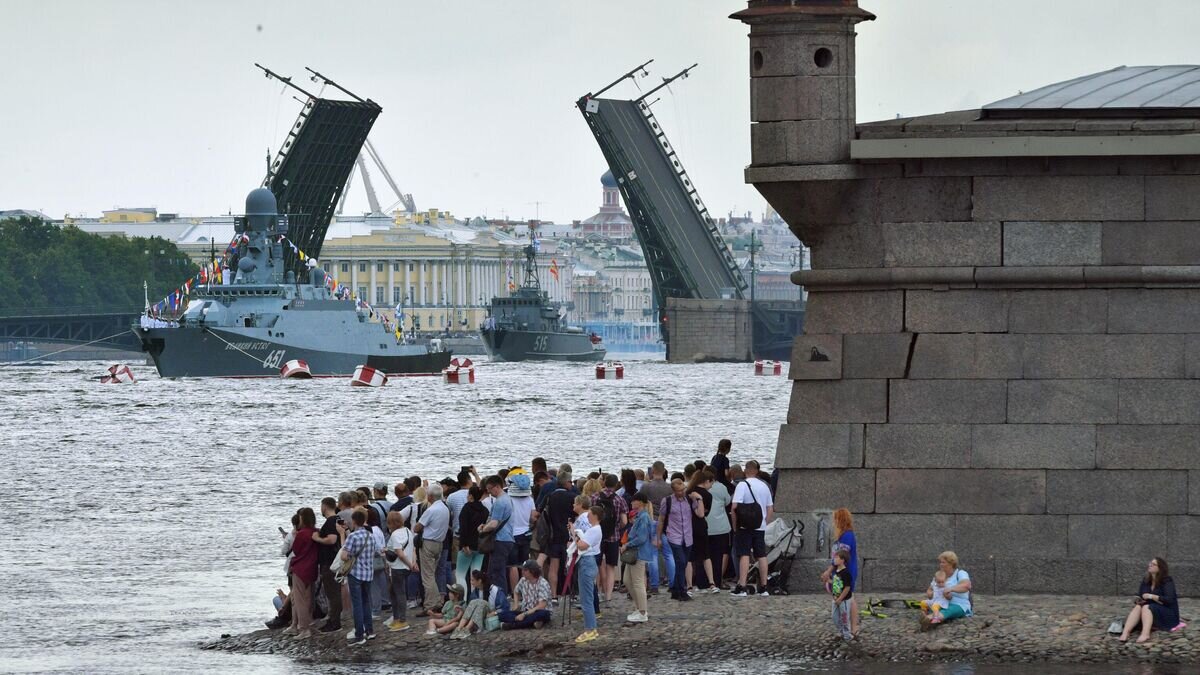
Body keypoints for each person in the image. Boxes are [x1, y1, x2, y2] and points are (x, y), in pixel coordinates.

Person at [731, 460, 773, 597]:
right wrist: (764, 522)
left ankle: (742, 585)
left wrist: (735, 526)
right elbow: (770, 508)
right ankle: (764, 587)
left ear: (745, 470)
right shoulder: (764, 485)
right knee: (761, 555)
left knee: (744, 554)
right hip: (760, 526)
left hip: (745, 525)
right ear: (757, 471)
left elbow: (734, 507)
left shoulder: (742, 485)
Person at [658, 476, 704, 601]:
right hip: (674, 535)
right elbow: (661, 519)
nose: (682, 492)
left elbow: (700, 514)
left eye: (683, 489)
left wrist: (699, 499)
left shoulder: (689, 500)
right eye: (679, 490)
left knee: (681, 564)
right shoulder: (667, 501)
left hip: (687, 536)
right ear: (674, 490)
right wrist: (658, 537)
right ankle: (681, 590)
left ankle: (675, 590)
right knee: (681, 561)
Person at [1118, 557, 1182, 643]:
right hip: (1151, 610)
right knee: (1138, 607)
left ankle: (1145, 634)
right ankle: (1126, 632)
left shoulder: (1167, 581)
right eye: (1150, 563)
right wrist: (1138, 599)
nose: (1150, 565)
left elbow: (1169, 599)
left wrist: (1151, 596)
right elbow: (1140, 595)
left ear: (1160, 568)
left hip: (1167, 613)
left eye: (1153, 564)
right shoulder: (1146, 581)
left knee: (1147, 607)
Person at [338, 508, 378, 646]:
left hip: (355, 573)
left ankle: (359, 635)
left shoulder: (353, 537)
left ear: (353, 521)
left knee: (357, 604)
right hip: (368, 573)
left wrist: (348, 552)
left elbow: (344, 556)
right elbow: (375, 552)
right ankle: (370, 631)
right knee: (366, 602)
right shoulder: (370, 535)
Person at [820, 508, 859, 635]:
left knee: (849, 598)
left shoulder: (847, 536)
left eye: (835, 519)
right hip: (841, 571)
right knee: (848, 599)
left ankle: (852, 627)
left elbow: (841, 557)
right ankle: (849, 627)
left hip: (846, 571)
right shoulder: (844, 536)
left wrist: (829, 571)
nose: (834, 522)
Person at [591, 474, 628, 603]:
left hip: (597, 537)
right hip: (614, 536)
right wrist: (616, 526)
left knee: (596, 565)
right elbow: (624, 521)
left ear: (604, 483)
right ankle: (608, 596)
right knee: (611, 567)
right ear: (616, 484)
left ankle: (595, 593)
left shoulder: (595, 497)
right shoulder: (619, 499)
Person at [415, 484, 450, 616]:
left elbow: (417, 527)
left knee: (428, 576)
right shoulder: (445, 508)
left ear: (429, 496)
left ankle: (431, 605)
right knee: (433, 574)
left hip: (428, 544)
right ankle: (437, 601)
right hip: (440, 543)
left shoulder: (431, 510)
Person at [285, 507, 319, 639]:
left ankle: (303, 628)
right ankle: (308, 623)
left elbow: (296, 550)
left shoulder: (302, 533)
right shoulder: (316, 532)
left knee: (299, 600)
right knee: (308, 598)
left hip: (300, 568)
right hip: (312, 568)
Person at [479, 475, 516, 594]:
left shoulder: (500, 502)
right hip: (508, 538)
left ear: (497, 486)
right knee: (499, 571)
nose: (488, 491)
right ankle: (500, 596)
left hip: (500, 539)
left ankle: (499, 598)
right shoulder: (508, 499)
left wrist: (483, 529)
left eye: (490, 488)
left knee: (496, 572)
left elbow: (494, 523)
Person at [573, 505, 604, 643]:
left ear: (595, 516)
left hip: (587, 562)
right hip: (588, 563)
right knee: (586, 597)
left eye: (590, 514)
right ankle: (590, 628)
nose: (587, 516)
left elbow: (582, 545)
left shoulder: (594, 530)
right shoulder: (594, 529)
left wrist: (576, 536)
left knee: (586, 598)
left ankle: (590, 629)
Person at [919, 551, 973, 631]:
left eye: (943, 562)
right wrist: (931, 594)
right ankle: (926, 617)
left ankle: (929, 619)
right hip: (940, 602)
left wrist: (951, 589)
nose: (941, 564)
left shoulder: (960, 573)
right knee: (928, 604)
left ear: (951, 563)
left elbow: (966, 585)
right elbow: (930, 589)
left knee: (948, 611)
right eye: (940, 562)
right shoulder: (939, 576)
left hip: (958, 604)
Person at [621, 493, 654, 623]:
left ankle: (642, 612)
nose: (631, 503)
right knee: (627, 580)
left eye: (634, 501)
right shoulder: (641, 516)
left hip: (639, 553)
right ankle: (639, 607)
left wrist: (627, 545)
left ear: (639, 502)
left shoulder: (643, 517)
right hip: (635, 553)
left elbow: (641, 538)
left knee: (637, 582)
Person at [641, 463, 674, 593]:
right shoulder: (669, 488)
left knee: (652, 553)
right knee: (668, 554)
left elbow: (639, 501)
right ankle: (672, 584)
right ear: (664, 471)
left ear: (652, 471)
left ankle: (654, 585)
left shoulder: (647, 487)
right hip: (666, 522)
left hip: (652, 520)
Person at [313, 497, 344, 634]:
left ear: (324, 506)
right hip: (334, 560)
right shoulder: (338, 519)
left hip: (330, 562)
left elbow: (332, 540)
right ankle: (333, 619)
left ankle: (335, 622)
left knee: (333, 593)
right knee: (333, 592)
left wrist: (317, 538)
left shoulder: (331, 521)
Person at [543, 472, 576, 598]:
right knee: (570, 564)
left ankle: (553, 595)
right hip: (569, 535)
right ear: (567, 482)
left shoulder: (550, 496)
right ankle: (571, 593)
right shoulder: (572, 497)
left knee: (554, 565)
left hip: (553, 534)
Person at [452, 570, 510, 639]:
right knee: (474, 602)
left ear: (479, 581)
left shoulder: (495, 591)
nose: (471, 582)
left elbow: (506, 607)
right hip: (479, 616)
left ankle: (467, 629)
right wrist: (462, 609)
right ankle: (459, 629)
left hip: (491, 615)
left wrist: (494, 612)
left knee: (481, 603)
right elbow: (471, 606)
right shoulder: (475, 592)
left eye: (473, 580)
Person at [384, 510, 416, 632]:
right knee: (394, 591)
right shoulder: (408, 531)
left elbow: (400, 554)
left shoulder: (395, 535)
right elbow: (412, 549)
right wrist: (413, 563)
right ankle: (397, 618)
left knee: (399, 593)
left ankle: (402, 620)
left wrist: (410, 565)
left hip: (398, 568)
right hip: (406, 568)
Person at [499, 560, 553, 629]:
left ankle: (513, 625)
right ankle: (532, 622)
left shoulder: (542, 583)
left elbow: (542, 605)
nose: (522, 572)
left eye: (525, 570)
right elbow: (516, 591)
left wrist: (524, 614)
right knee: (502, 615)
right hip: (525, 610)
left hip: (537, 611)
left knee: (542, 614)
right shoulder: (523, 580)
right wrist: (516, 604)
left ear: (532, 571)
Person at [506, 470, 536, 593]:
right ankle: (525, 591)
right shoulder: (529, 499)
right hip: (526, 533)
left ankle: (514, 592)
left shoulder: (508, 499)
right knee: (524, 565)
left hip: (512, 534)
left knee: (512, 566)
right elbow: (533, 517)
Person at [685, 470, 715, 592]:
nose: (711, 486)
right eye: (711, 483)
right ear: (707, 481)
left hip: (688, 526)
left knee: (689, 557)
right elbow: (705, 513)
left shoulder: (688, 492)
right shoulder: (708, 495)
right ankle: (711, 582)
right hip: (701, 526)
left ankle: (689, 585)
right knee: (706, 555)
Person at [456, 486, 489, 590]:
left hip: (467, 546)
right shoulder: (485, 510)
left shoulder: (466, 508)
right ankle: (476, 599)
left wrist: (464, 544)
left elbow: (463, 528)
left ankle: (462, 600)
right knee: (476, 575)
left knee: (460, 575)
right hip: (480, 546)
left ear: (470, 496)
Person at [705, 470, 732, 590]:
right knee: (720, 554)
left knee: (706, 554)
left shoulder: (699, 488)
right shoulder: (722, 487)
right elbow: (727, 501)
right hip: (721, 526)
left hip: (705, 525)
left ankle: (705, 580)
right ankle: (718, 579)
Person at [830, 549, 854, 642]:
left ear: (842, 560)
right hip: (835, 598)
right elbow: (837, 583)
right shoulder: (836, 571)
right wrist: (828, 581)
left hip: (843, 600)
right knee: (834, 617)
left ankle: (847, 636)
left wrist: (840, 599)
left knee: (844, 617)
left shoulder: (846, 573)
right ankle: (841, 632)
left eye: (837, 558)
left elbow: (847, 587)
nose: (835, 559)